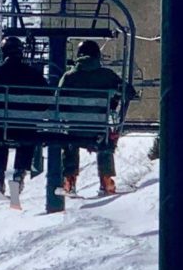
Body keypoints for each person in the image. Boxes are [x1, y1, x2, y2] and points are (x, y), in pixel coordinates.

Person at [58, 40, 136, 196]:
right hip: (98, 128)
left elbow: (58, 100)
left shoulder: (69, 76)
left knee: (69, 141)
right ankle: (106, 180)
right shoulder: (107, 75)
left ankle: (69, 180)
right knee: (106, 140)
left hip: (75, 130)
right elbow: (129, 92)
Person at [0, 36, 48, 203]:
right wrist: (34, 112)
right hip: (25, 125)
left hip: (1, 124)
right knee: (27, 138)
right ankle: (19, 173)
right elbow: (46, 99)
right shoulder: (33, 73)